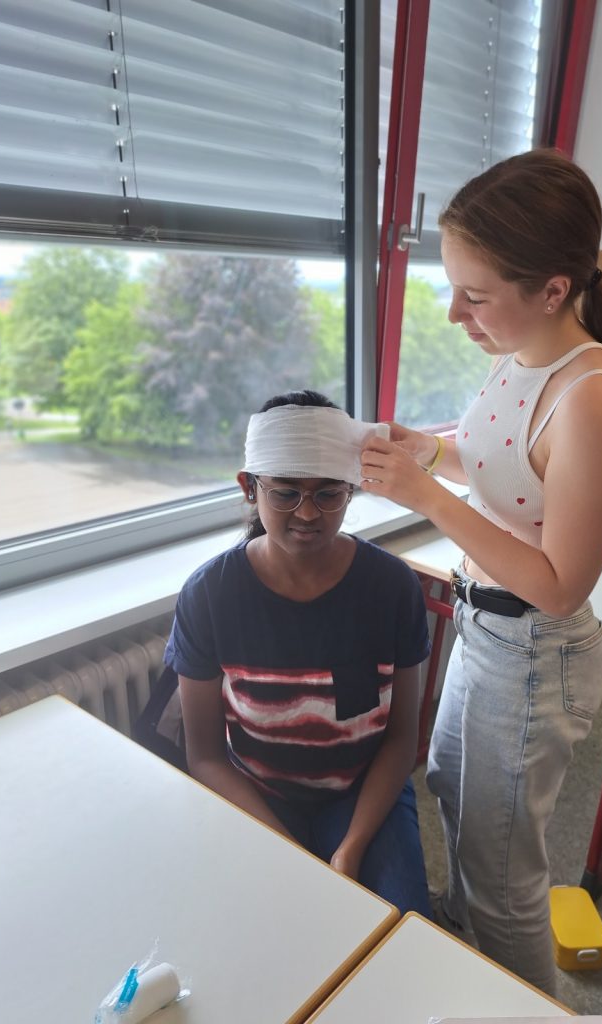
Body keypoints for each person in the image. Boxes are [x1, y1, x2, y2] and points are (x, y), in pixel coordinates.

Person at [360, 148, 602, 993]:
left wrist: (424, 495)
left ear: (553, 289)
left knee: (505, 880)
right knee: (453, 793)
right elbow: (500, 460)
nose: (455, 312)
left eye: (475, 294)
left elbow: (562, 583)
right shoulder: (517, 348)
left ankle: (519, 997)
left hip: (534, 650)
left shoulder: (592, 396)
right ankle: (471, 955)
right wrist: (430, 451)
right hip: (484, 625)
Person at [164, 390, 432, 916]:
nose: (307, 513)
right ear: (249, 488)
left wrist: (351, 847)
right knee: (258, 933)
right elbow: (206, 756)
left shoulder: (391, 587)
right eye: (285, 493)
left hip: (361, 793)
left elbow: (402, 737)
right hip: (255, 792)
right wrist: (289, 852)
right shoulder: (210, 594)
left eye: (328, 494)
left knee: (401, 927)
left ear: (351, 490)